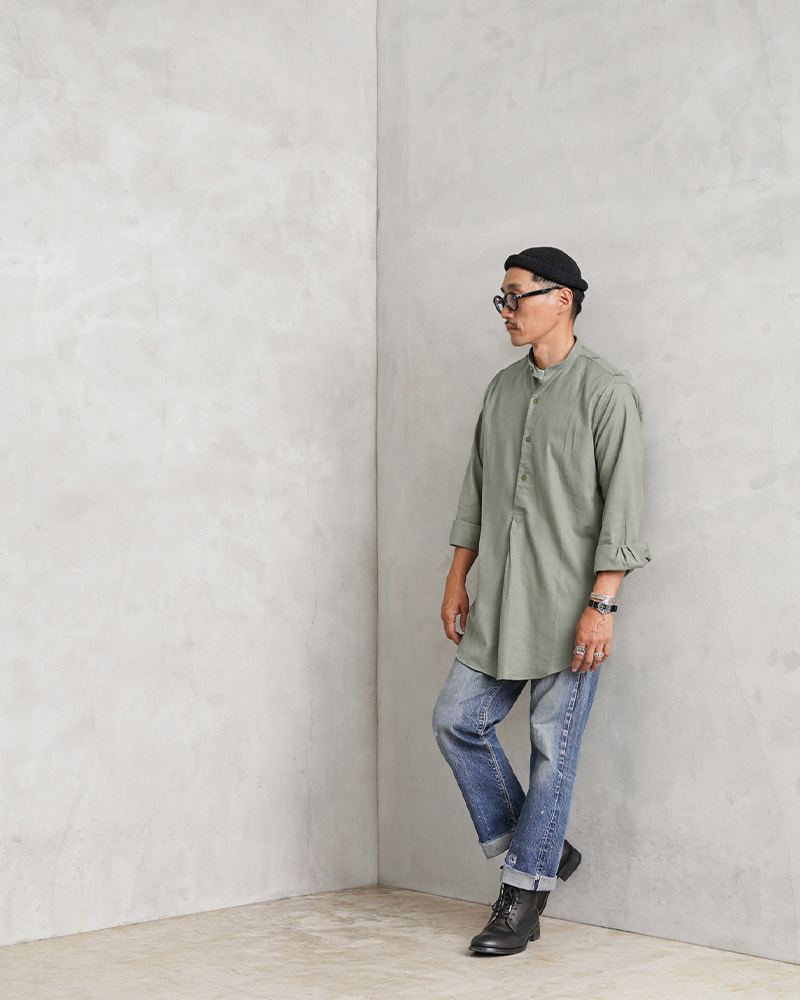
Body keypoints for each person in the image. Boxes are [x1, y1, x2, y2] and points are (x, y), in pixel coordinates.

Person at [432, 246, 651, 956]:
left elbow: (623, 509)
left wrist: (603, 605)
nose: (505, 310)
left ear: (563, 298)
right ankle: (545, 844)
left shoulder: (607, 392)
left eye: (516, 295)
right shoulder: (501, 391)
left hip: (569, 608)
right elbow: (475, 491)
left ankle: (521, 900)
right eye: (500, 297)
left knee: (551, 750)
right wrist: (457, 577)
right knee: (456, 721)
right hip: (499, 601)